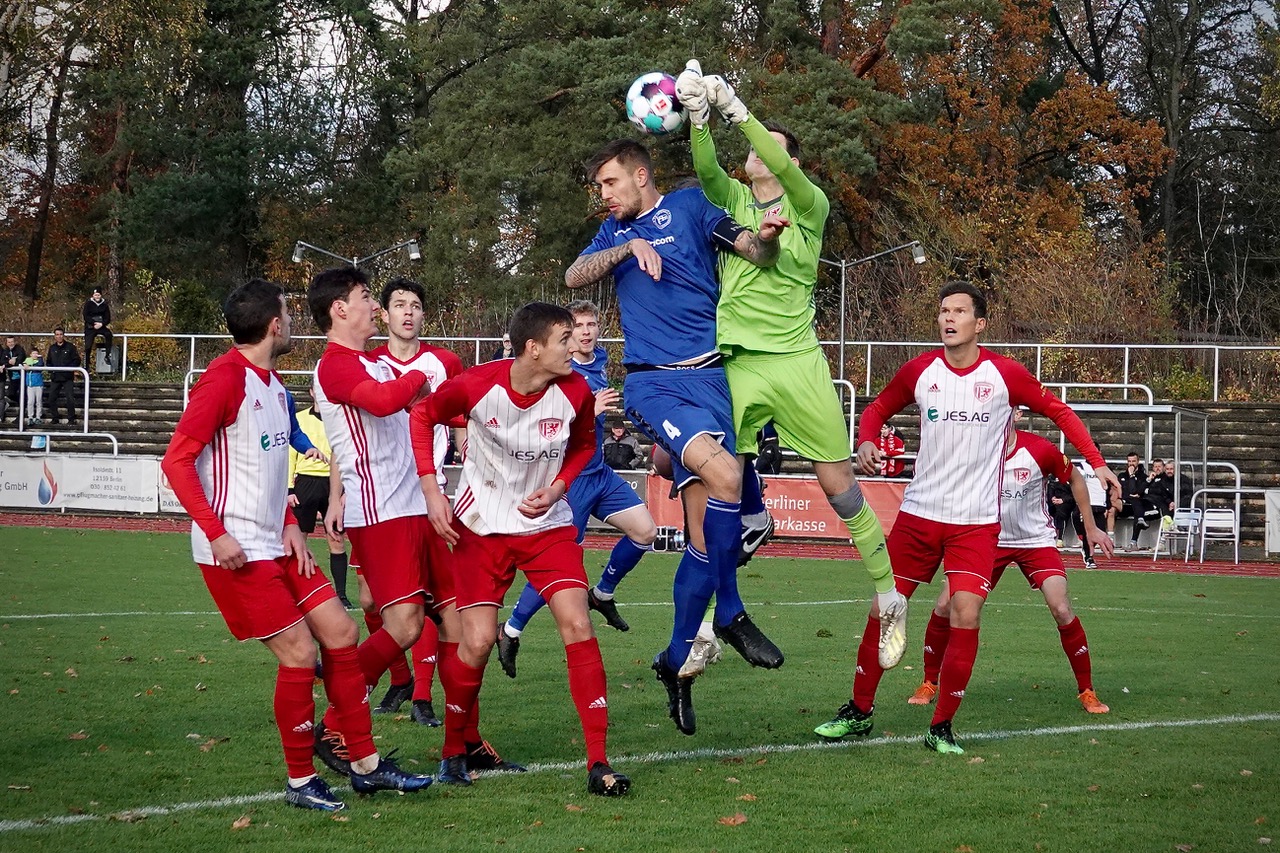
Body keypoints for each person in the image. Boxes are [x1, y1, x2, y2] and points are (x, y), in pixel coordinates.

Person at [160, 278, 432, 813]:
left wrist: (289, 521)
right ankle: (300, 780)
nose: (291, 319)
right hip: (236, 549)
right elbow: (175, 461)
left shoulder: (275, 384)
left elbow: (266, 466)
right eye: (286, 311)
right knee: (301, 652)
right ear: (275, 324)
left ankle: (365, 766)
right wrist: (217, 533)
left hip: (278, 543)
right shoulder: (222, 381)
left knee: (343, 630)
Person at [813, 281, 1119, 754]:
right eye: (942, 311)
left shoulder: (1005, 375)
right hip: (919, 516)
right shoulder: (921, 370)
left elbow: (1059, 411)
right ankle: (858, 712)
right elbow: (876, 408)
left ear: (980, 323)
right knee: (883, 608)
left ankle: (941, 727)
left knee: (965, 612)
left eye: (958, 311)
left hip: (976, 523)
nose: (948, 318)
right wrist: (866, 439)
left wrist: (1096, 462)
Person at [676, 62, 908, 676]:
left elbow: (777, 163)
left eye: (770, 150)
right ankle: (705, 625)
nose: (755, 156)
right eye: (753, 148)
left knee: (840, 488)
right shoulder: (732, 200)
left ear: (791, 165)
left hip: (800, 363)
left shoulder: (810, 205)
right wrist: (701, 118)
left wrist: (735, 109)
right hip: (738, 363)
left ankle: (889, 598)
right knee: (719, 486)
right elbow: (706, 171)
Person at [565, 138, 788, 736]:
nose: (604, 196)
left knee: (701, 536)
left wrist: (765, 236)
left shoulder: (690, 207)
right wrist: (626, 247)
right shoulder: (614, 235)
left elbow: (753, 251)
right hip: (654, 385)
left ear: (641, 175)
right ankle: (733, 611)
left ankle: (675, 663)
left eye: (611, 183)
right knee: (729, 478)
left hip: (713, 377)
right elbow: (573, 275)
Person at [410, 301, 631, 797]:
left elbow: (580, 448)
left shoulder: (576, 390)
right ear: (534, 349)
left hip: (546, 527)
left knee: (577, 620)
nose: (575, 346)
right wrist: (431, 490)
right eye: (564, 339)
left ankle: (599, 761)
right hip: (481, 527)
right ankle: (454, 751)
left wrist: (557, 489)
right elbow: (423, 416)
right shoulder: (475, 384)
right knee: (479, 641)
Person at [310, 267, 518, 781]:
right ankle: (336, 724)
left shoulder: (374, 364)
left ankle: (462, 744)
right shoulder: (335, 366)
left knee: (466, 628)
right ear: (340, 309)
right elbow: (386, 403)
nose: (376, 308)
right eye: (366, 298)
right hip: (382, 513)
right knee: (403, 625)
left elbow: (433, 414)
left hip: (424, 509)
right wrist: (422, 376)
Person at [497, 300, 658, 677]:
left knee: (645, 531)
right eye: (578, 326)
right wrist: (591, 411)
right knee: (561, 565)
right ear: (566, 334)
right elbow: (539, 422)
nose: (586, 332)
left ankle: (602, 593)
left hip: (600, 474)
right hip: (569, 482)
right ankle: (511, 631)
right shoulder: (555, 372)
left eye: (591, 324)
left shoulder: (599, 361)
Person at [906, 424, 1113, 714]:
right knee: (944, 604)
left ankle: (1087, 691)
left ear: (1014, 413)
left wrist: (1090, 528)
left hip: (1035, 541)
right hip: (986, 540)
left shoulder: (1040, 450)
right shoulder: (972, 450)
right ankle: (929, 682)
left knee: (1062, 608)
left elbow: (1076, 479)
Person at [365, 278, 476, 733]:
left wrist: (468, 450)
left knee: (437, 604)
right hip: (380, 502)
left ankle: (426, 700)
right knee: (373, 600)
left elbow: (461, 415)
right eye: (399, 305)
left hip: (427, 497)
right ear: (384, 316)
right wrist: (339, 493)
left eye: (415, 305)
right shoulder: (368, 365)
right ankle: (398, 678)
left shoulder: (444, 362)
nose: (408, 312)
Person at [287, 394, 351, 607]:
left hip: (333, 484)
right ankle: (296, 593)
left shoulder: (341, 419)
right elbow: (290, 454)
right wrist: (289, 489)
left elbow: (346, 454)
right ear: (313, 392)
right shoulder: (300, 418)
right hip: (305, 483)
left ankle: (341, 594)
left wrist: (345, 490)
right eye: (318, 390)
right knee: (299, 539)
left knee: (336, 538)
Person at [1072, 462, 1117, 569]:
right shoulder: (1081, 466)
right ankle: (1089, 557)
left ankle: (1086, 550)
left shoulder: (1103, 468)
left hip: (1100, 506)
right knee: (1087, 533)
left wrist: (1107, 505)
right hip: (1088, 505)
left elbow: (1107, 487)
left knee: (1100, 530)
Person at [1117, 451, 1159, 550]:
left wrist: (1132, 477)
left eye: (1134, 461)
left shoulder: (1143, 477)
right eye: (1129, 461)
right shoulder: (1122, 476)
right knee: (1135, 503)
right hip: (1125, 505)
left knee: (1137, 504)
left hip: (1137, 506)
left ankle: (1133, 542)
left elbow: (1136, 491)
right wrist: (1131, 477)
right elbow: (1129, 492)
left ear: (1138, 461)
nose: (1131, 463)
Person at [45, 327, 81, 425]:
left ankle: (71, 419)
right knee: (51, 398)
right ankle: (55, 417)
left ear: (63, 335)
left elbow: (77, 360)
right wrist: (51, 371)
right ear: (54, 336)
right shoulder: (52, 348)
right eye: (57, 334)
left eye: (61, 334)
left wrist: (69, 369)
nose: (59, 336)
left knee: (70, 398)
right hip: (56, 377)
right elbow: (48, 361)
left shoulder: (70, 347)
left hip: (67, 377)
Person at [82, 287, 113, 367]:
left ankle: (107, 355)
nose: (97, 296)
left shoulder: (104, 305)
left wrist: (102, 324)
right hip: (90, 326)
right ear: (93, 295)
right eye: (96, 295)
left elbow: (108, 318)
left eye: (98, 295)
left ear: (101, 295)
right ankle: (87, 364)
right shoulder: (88, 304)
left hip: (101, 325)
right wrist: (93, 323)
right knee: (88, 346)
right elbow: (85, 316)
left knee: (108, 334)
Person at [2, 335, 27, 415]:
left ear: (15, 342)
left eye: (12, 342)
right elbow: (3, 361)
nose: (10, 344)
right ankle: (23, 403)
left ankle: (21, 414)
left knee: (22, 395)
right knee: (10, 394)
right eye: (9, 342)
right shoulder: (5, 351)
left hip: (21, 377)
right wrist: (9, 362)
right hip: (13, 377)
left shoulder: (20, 349)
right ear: (6, 343)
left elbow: (20, 360)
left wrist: (12, 362)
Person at [22, 348, 45, 425]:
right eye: (33, 353)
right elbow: (23, 364)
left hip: (38, 384)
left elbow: (40, 365)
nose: (35, 355)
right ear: (30, 354)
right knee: (30, 401)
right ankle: (30, 417)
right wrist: (26, 365)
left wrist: (32, 365)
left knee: (38, 401)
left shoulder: (39, 360)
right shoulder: (27, 360)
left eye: (36, 353)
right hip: (30, 385)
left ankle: (38, 417)